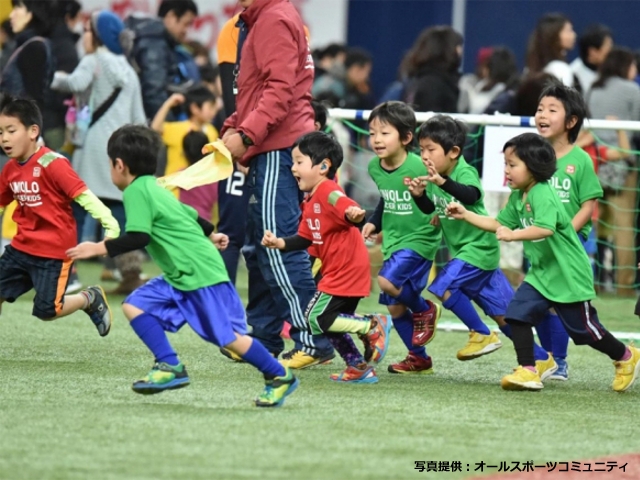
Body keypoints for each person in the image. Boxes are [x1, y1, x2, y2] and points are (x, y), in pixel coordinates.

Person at [67, 124, 299, 407]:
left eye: (110, 164)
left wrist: (98, 247)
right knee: (134, 304)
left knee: (229, 338)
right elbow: (188, 213)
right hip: (183, 274)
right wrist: (211, 234)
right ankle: (169, 365)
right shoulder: (154, 185)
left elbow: (140, 236)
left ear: (119, 164)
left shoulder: (136, 192)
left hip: (198, 274)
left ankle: (279, 376)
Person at [447, 133, 640, 392]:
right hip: (541, 274)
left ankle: (626, 356)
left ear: (534, 167)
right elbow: (498, 224)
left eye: (512, 165)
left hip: (567, 274)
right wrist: (466, 214)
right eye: (505, 164)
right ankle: (529, 369)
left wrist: (514, 235)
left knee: (585, 331)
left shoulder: (542, 193)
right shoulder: (519, 196)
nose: (507, 170)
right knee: (516, 315)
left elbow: (545, 228)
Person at [221, 0, 334, 368]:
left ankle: (313, 338)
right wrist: (235, 129)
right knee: (261, 249)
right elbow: (259, 90)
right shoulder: (266, 18)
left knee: (276, 245)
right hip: (271, 144)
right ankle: (266, 337)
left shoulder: (272, 18)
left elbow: (280, 90)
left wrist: (247, 134)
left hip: (276, 146)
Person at [405, 115, 554, 374]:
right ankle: (542, 358)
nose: (424, 155)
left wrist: (443, 183)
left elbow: (471, 194)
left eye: (430, 149)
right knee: (506, 316)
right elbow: (433, 208)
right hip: (473, 255)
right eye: (421, 149)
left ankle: (480, 333)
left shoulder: (463, 171)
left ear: (453, 152)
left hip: (479, 248)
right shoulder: (433, 175)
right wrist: (419, 197)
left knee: (442, 286)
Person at [262, 131, 391, 383]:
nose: (293, 167)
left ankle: (371, 325)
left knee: (314, 317)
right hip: (340, 270)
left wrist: (355, 214)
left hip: (344, 270)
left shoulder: (327, 190)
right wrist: (279, 242)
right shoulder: (310, 200)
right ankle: (358, 367)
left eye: (299, 162)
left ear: (323, 166)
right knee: (327, 323)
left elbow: (343, 203)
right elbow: (304, 239)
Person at [0, 95, 116, 337]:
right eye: (0, 132)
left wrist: (110, 225)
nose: (4, 139)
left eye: (11, 130)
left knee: (47, 310)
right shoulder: (10, 169)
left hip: (54, 253)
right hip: (21, 248)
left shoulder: (53, 163)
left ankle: (89, 298)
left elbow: (84, 196)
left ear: (33, 131)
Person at [51, 10, 147, 296]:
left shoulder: (93, 61)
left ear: (100, 35)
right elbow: (139, 117)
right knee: (121, 212)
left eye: (89, 31)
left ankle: (71, 273)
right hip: (121, 152)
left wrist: (50, 75)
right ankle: (131, 271)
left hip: (92, 147)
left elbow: (74, 84)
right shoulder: (129, 70)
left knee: (78, 210)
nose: (85, 37)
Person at [361, 101, 441, 374]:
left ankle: (425, 309)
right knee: (395, 308)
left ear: (406, 138)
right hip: (394, 242)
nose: (377, 140)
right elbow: (386, 198)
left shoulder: (421, 167)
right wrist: (374, 221)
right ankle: (419, 358)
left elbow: (435, 205)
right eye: (372, 133)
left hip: (420, 240)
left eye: (384, 133)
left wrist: (434, 210)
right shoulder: (375, 167)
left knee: (385, 280)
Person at [535, 81, 603, 380]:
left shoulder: (581, 160)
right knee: (536, 303)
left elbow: (588, 206)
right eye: (540, 109)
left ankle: (559, 361)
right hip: (537, 241)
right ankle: (547, 359)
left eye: (552, 109)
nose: (542, 115)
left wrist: (566, 235)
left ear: (571, 121)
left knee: (558, 305)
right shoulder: (533, 159)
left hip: (568, 242)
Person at [588, 47, 640, 297]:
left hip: (595, 163)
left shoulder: (593, 90)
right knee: (624, 229)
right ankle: (624, 285)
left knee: (596, 225)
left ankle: (595, 281)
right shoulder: (632, 90)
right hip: (622, 165)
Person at [125, 0, 200, 120]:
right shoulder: (154, 42)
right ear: (171, 16)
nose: (186, 31)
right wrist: (168, 126)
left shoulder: (157, 40)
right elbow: (154, 91)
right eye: (186, 24)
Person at [1, 1, 56, 142]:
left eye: (18, 8)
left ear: (31, 13)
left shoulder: (34, 48)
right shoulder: (30, 45)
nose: (11, 15)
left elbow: (34, 98)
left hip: (18, 139)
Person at [151, 85, 219, 176]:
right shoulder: (178, 129)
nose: (214, 112)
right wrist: (168, 103)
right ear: (194, 108)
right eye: (210, 107)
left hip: (199, 187)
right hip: (174, 188)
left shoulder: (212, 131)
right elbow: (155, 128)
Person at [526, 13, 576, 87]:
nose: (574, 35)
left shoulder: (528, 70)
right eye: (568, 31)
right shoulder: (560, 70)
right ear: (554, 36)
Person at [179, 130, 218, 221]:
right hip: (206, 224)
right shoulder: (216, 178)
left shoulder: (181, 175)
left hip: (183, 222)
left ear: (184, 154)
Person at [570, 24, 613, 95]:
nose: (611, 52)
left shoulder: (611, 70)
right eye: (608, 48)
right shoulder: (573, 76)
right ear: (592, 51)